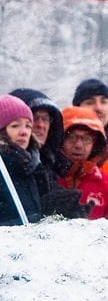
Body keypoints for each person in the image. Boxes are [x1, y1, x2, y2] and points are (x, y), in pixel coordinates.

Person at [72, 78, 108, 214]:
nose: (98, 107)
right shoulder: (62, 151)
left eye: (104, 101)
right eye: (90, 102)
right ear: (77, 108)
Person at [56, 106, 108, 220]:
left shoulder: (104, 182)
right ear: (60, 139)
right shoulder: (47, 176)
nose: (78, 145)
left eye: (86, 139)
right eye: (72, 137)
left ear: (95, 144)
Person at [0, 94, 47, 224]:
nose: (24, 132)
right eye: (15, 126)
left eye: (28, 126)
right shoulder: (2, 167)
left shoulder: (35, 166)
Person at [8, 89, 68, 180]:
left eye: (45, 119)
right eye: (34, 118)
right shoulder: (5, 165)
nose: (41, 125)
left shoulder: (54, 165)